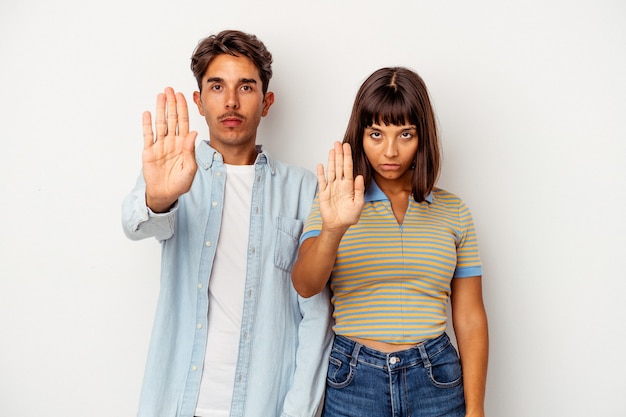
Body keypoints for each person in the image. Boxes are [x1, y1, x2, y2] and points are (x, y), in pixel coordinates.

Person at [122, 29, 333, 417]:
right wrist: (160, 197)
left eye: (246, 87)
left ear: (267, 102)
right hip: (179, 401)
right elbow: (137, 224)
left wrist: (299, 411)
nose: (231, 102)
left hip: (264, 404)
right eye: (217, 87)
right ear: (199, 102)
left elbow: (316, 315)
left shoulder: (303, 189)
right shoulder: (175, 173)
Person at [291, 67, 489, 417]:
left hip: (435, 379)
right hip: (354, 380)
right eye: (377, 134)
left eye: (406, 134)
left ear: (422, 136)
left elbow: (470, 317)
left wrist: (476, 410)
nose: (391, 151)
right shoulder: (335, 202)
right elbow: (305, 285)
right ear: (360, 134)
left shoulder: (454, 211)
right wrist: (334, 229)